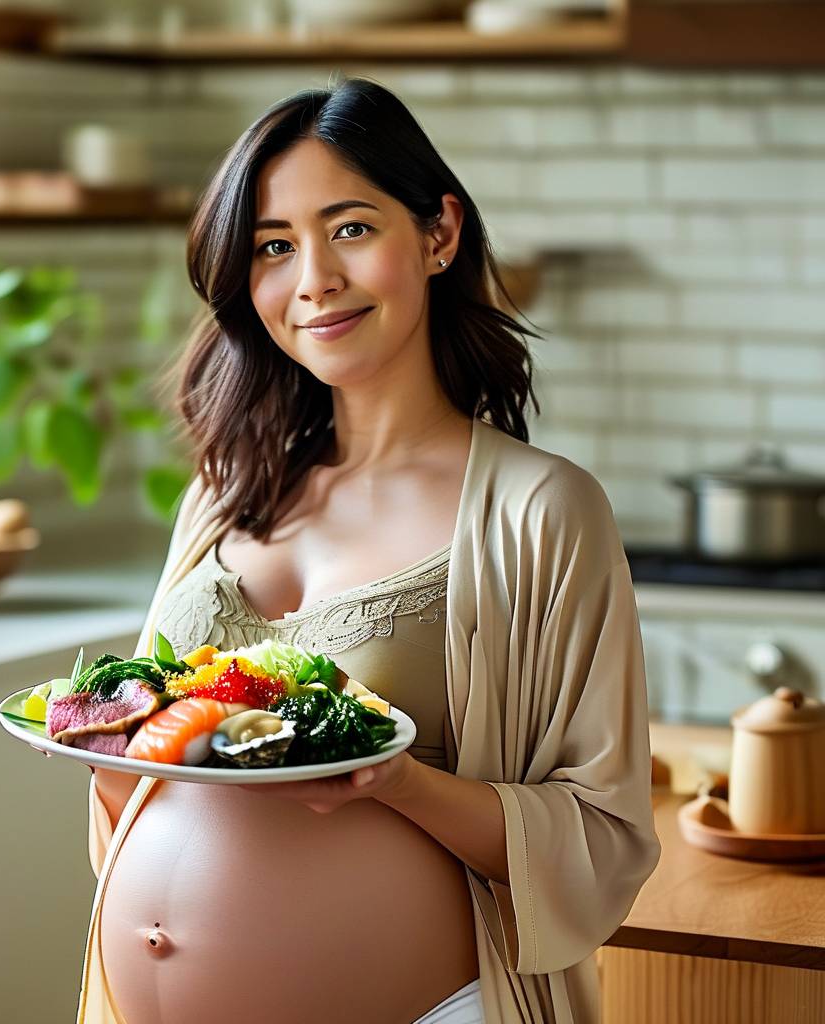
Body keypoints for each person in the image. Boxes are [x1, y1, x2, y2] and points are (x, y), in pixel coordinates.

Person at [78, 76, 660, 1024]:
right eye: (275, 246)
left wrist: (402, 784)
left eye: (350, 228)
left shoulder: (541, 511)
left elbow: (604, 835)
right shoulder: (221, 495)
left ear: (438, 235)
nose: (313, 279)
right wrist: (111, 759)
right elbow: (145, 768)